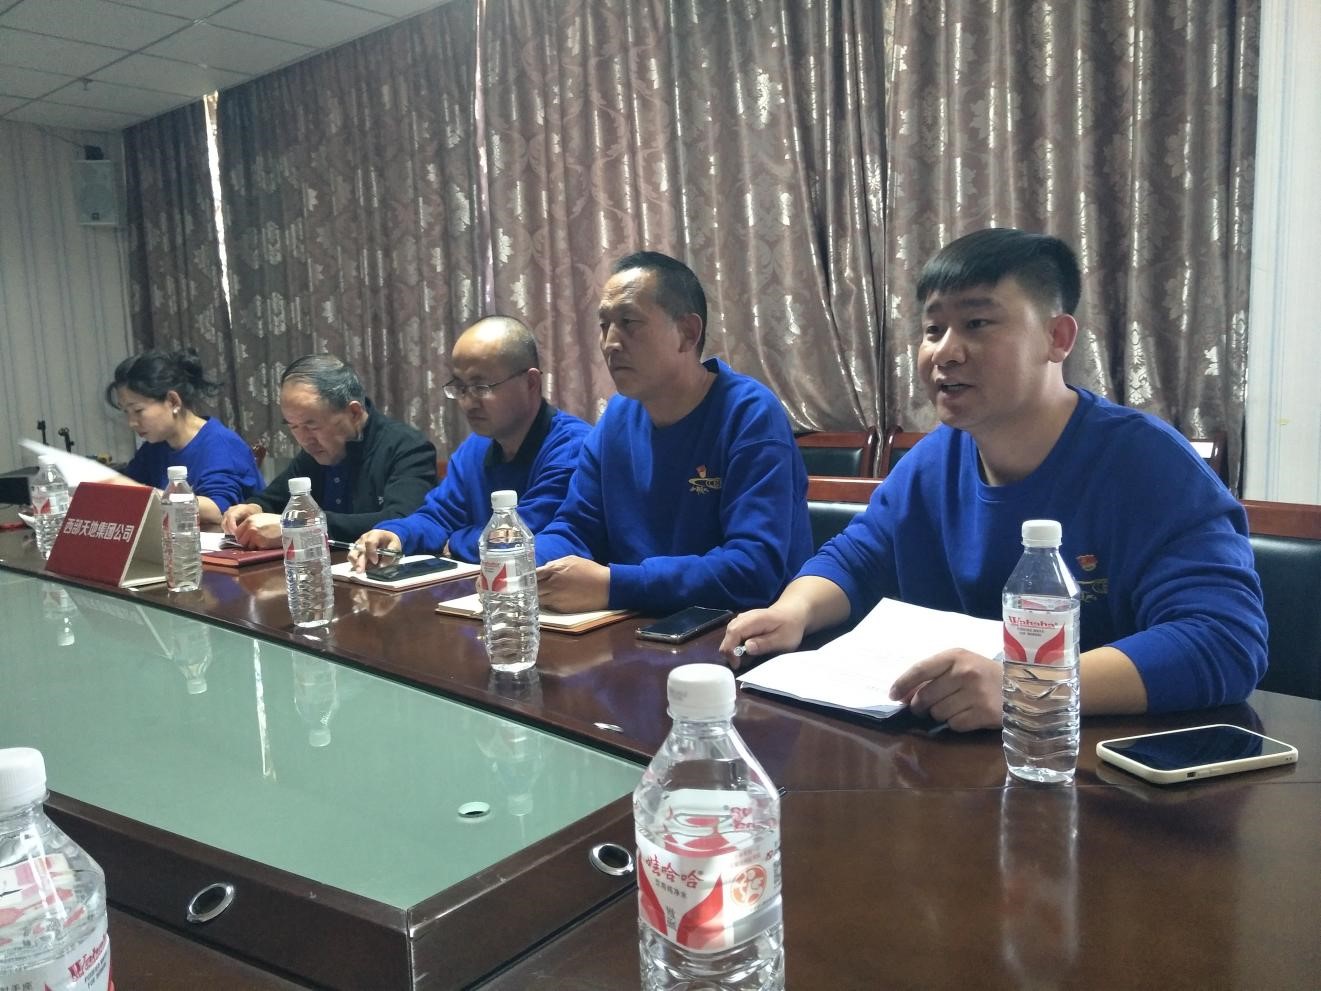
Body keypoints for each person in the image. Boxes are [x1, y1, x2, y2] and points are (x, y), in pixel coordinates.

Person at [721, 227, 1268, 730]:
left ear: (1057, 338)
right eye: (933, 329)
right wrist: (793, 610)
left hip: (1098, 765)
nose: (945, 352)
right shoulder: (933, 461)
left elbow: (1223, 640)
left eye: (977, 324)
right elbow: (857, 559)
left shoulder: (1149, 464)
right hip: (953, 761)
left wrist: (1027, 687)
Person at [534, 251, 813, 614]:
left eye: (629, 322)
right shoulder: (616, 418)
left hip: (741, 631)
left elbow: (753, 570)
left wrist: (615, 585)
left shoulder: (750, 414)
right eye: (604, 325)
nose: (610, 343)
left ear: (687, 333)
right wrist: (521, 565)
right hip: (637, 622)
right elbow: (575, 527)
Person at [352, 316, 590, 566]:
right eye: (460, 387)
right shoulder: (476, 447)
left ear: (531, 383)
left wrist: (456, 541)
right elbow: (439, 516)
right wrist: (397, 534)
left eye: (481, 387)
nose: (467, 402)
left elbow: (521, 540)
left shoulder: (573, 448)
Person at [221, 354, 436, 547]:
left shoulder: (408, 447)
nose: (304, 439)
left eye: (311, 425)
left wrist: (303, 527)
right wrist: (253, 508)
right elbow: (274, 499)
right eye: (293, 427)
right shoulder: (315, 451)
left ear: (354, 412)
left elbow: (402, 520)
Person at [106, 348, 263, 524]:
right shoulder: (154, 447)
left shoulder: (220, 444)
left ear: (173, 401)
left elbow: (217, 510)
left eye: (138, 410)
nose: (131, 422)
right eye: (126, 412)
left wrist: (142, 493)